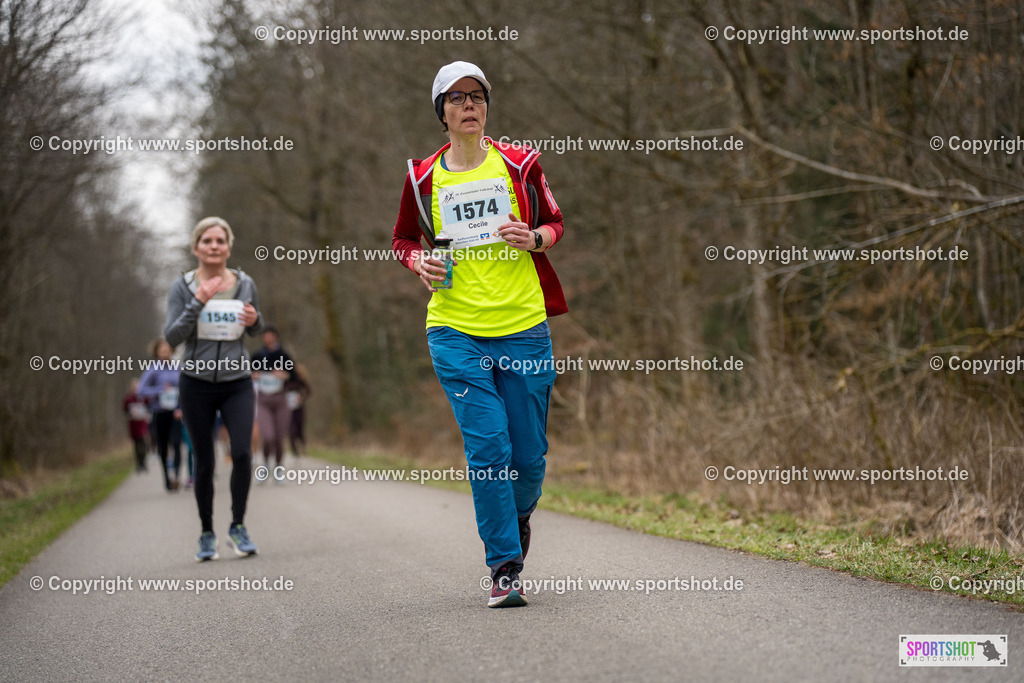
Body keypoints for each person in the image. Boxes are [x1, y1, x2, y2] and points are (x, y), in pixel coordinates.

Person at [392, 61, 567, 607]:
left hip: (523, 329)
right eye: (457, 98)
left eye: (478, 96)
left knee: (530, 457)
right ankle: (504, 565)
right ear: (441, 112)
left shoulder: (519, 164)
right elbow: (402, 240)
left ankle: (516, 518)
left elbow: (556, 223)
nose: (469, 105)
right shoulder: (423, 178)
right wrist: (421, 263)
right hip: (454, 329)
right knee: (489, 447)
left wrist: (535, 236)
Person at [165, 216, 263, 561]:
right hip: (196, 383)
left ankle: (238, 526)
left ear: (228, 247)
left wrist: (255, 321)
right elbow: (172, 336)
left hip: (237, 381)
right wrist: (198, 302)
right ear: (196, 248)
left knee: (241, 452)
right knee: (204, 461)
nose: (214, 246)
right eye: (207, 241)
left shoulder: (244, 282)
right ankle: (206, 533)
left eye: (220, 240)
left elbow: (254, 326)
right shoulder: (183, 286)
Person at [251, 325, 298, 482]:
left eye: (270, 335)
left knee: (279, 437)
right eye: (265, 336)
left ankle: (278, 467)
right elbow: (248, 373)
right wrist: (254, 376)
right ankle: (264, 465)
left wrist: (284, 375)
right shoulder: (257, 355)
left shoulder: (284, 355)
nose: (268, 338)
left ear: (276, 337)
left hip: (280, 399)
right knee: (268, 436)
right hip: (263, 399)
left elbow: (294, 376)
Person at [137, 338, 184, 491]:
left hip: (176, 412)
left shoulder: (177, 368)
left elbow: (185, 389)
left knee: (177, 443)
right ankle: (167, 478)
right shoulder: (153, 369)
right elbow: (140, 391)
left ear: (172, 351)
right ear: (156, 352)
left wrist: (181, 407)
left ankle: (176, 475)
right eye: (162, 350)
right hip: (160, 412)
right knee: (163, 446)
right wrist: (159, 390)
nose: (165, 353)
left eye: (167, 350)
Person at [122, 378, 150, 473]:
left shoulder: (142, 397)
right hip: (133, 424)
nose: (135, 388)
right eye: (134, 387)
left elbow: (148, 404)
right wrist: (130, 414)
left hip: (142, 423)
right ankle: (139, 464)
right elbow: (125, 410)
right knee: (136, 445)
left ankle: (144, 462)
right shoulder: (128, 399)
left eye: (137, 387)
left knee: (143, 443)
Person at [287, 363, 311, 457]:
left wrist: (302, 397)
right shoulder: (286, 381)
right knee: (291, 429)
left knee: (300, 428)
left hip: (299, 408)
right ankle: (294, 450)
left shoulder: (299, 380)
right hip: (288, 408)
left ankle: (303, 445)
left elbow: (309, 391)